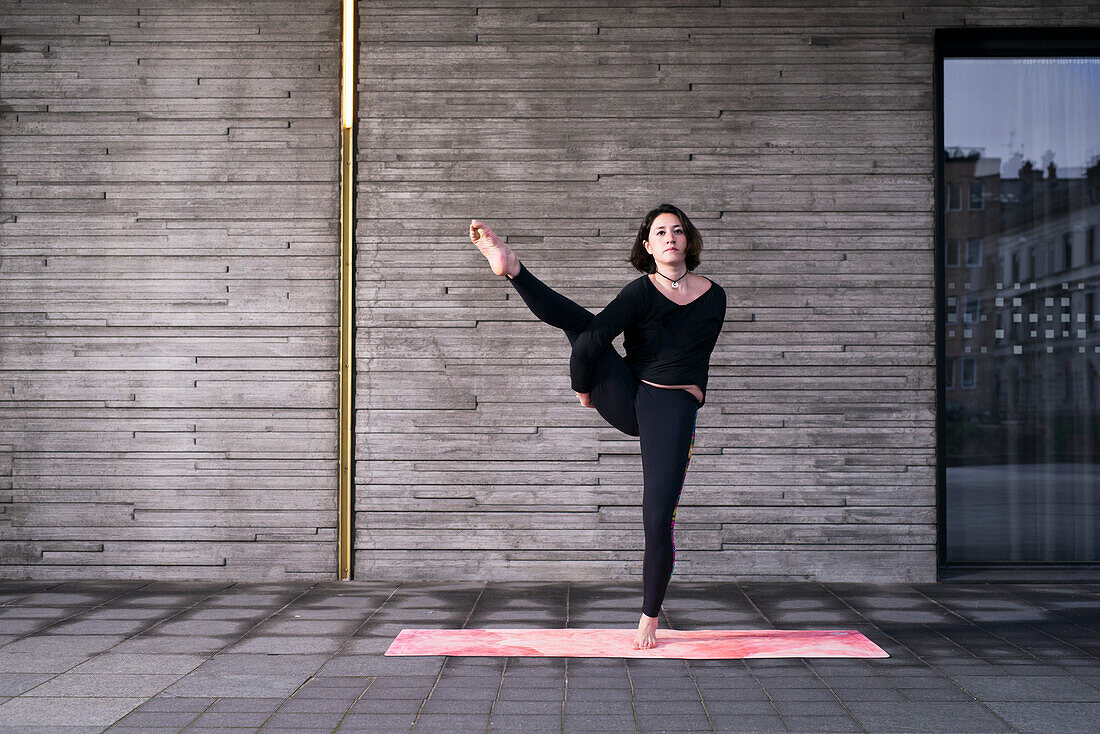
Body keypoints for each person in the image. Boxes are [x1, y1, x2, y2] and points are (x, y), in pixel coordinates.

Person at [469, 204, 726, 650]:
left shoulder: (714, 296)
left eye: (678, 231)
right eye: (660, 232)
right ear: (647, 246)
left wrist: (588, 385)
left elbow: (683, 354)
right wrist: (583, 386)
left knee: (657, 515)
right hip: (629, 394)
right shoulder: (639, 292)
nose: (670, 237)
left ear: (688, 241)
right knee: (584, 326)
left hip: (672, 407)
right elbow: (592, 340)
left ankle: (649, 617)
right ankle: (512, 268)